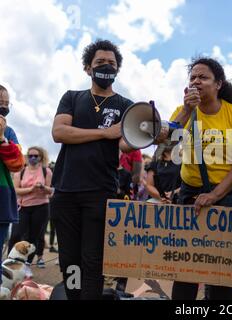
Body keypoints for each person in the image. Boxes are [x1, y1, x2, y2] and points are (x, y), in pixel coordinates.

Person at [167, 57, 232, 300]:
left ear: (218, 84)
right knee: (185, 268)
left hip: (226, 197)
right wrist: (186, 110)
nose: (196, 81)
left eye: (203, 77)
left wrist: (215, 195)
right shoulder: (182, 112)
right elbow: (165, 146)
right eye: (193, 77)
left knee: (221, 270)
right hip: (189, 196)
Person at [50, 39, 134, 300]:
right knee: (69, 259)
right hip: (65, 190)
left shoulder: (125, 105)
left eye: (112, 63)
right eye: (100, 63)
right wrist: (104, 133)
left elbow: (125, 143)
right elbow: (59, 132)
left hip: (100, 191)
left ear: (118, 69)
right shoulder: (72, 97)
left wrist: (145, 133)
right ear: (88, 68)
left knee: (93, 259)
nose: (106, 67)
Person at [8, 147, 53, 268]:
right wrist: (31, 189)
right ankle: (10, 261)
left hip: (41, 207)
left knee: (34, 237)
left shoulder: (46, 171)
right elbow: (15, 190)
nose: (33, 158)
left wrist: (43, 187)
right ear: (27, 156)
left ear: (40, 157)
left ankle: (26, 264)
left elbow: (51, 191)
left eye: (36, 156)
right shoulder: (20, 171)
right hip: (23, 207)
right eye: (30, 155)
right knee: (16, 235)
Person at [0, 94, 25, 298]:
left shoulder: (9, 132)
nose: (4, 107)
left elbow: (17, 163)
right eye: (0, 102)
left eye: (7, 104)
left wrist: (1, 138)